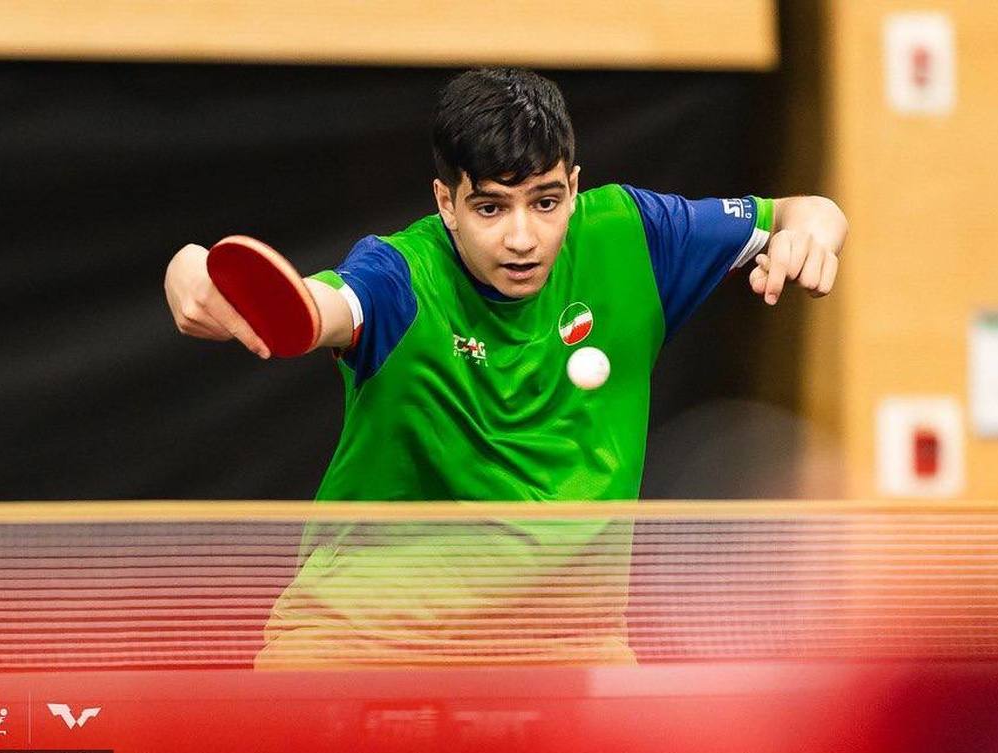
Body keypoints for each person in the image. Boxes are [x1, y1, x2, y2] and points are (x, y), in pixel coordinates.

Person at [164, 67, 847, 668]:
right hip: (362, 640)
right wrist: (195, 271)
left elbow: (806, 211)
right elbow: (326, 307)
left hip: (565, 648)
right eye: (490, 207)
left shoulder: (635, 237)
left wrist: (811, 237)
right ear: (446, 203)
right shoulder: (402, 273)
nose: (523, 237)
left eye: (545, 202)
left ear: (573, 187)